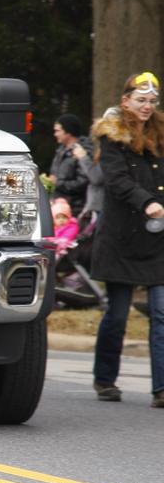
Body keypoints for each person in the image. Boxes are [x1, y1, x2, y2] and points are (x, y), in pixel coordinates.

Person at [89, 71, 164, 407]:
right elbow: (116, 180)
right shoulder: (112, 135)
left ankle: (161, 388)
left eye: (152, 101)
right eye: (140, 100)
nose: (146, 106)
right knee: (117, 315)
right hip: (122, 237)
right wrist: (146, 202)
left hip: (158, 240)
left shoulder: (161, 134)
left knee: (161, 314)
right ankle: (105, 378)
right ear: (125, 101)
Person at [43, 113, 93, 216]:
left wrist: (58, 183)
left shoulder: (84, 151)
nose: (55, 134)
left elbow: (84, 181)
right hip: (58, 208)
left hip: (76, 210)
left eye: (58, 131)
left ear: (68, 132)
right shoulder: (61, 150)